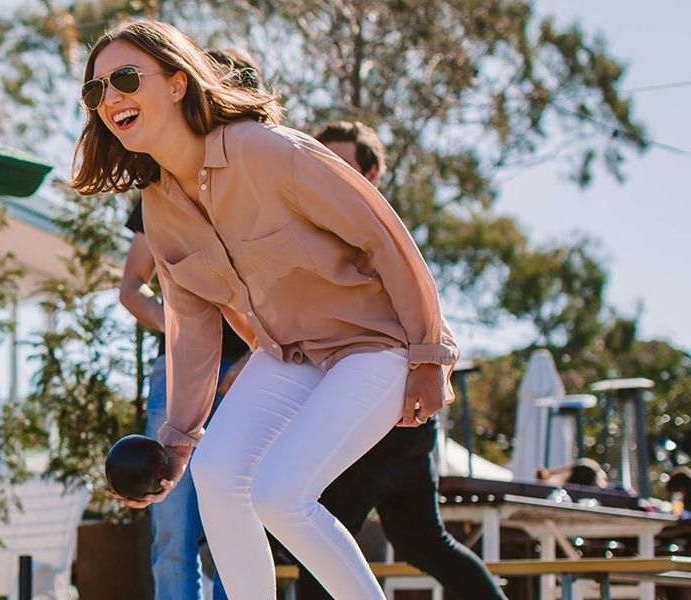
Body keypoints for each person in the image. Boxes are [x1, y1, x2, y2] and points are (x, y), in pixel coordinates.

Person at [71, 20, 458, 598]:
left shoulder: (267, 150)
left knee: (281, 492)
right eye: (96, 90)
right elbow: (191, 328)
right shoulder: (159, 207)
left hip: (376, 342)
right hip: (290, 353)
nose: (111, 98)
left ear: (179, 83)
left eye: (125, 77)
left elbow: (385, 235)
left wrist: (430, 353)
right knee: (216, 475)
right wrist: (177, 441)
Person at [291, 121, 505, 600]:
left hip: (383, 418)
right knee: (421, 541)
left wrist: (430, 372)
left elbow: (426, 316)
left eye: (342, 164)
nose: (329, 174)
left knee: (314, 536)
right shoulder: (322, 232)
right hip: (399, 425)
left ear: (371, 173)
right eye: (321, 162)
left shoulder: (376, 234)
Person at [118, 47, 260, 600]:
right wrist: (183, 331)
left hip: (260, 374)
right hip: (176, 379)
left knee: (241, 522)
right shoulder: (160, 188)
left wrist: (254, 358)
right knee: (173, 529)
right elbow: (132, 288)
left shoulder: (262, 178)